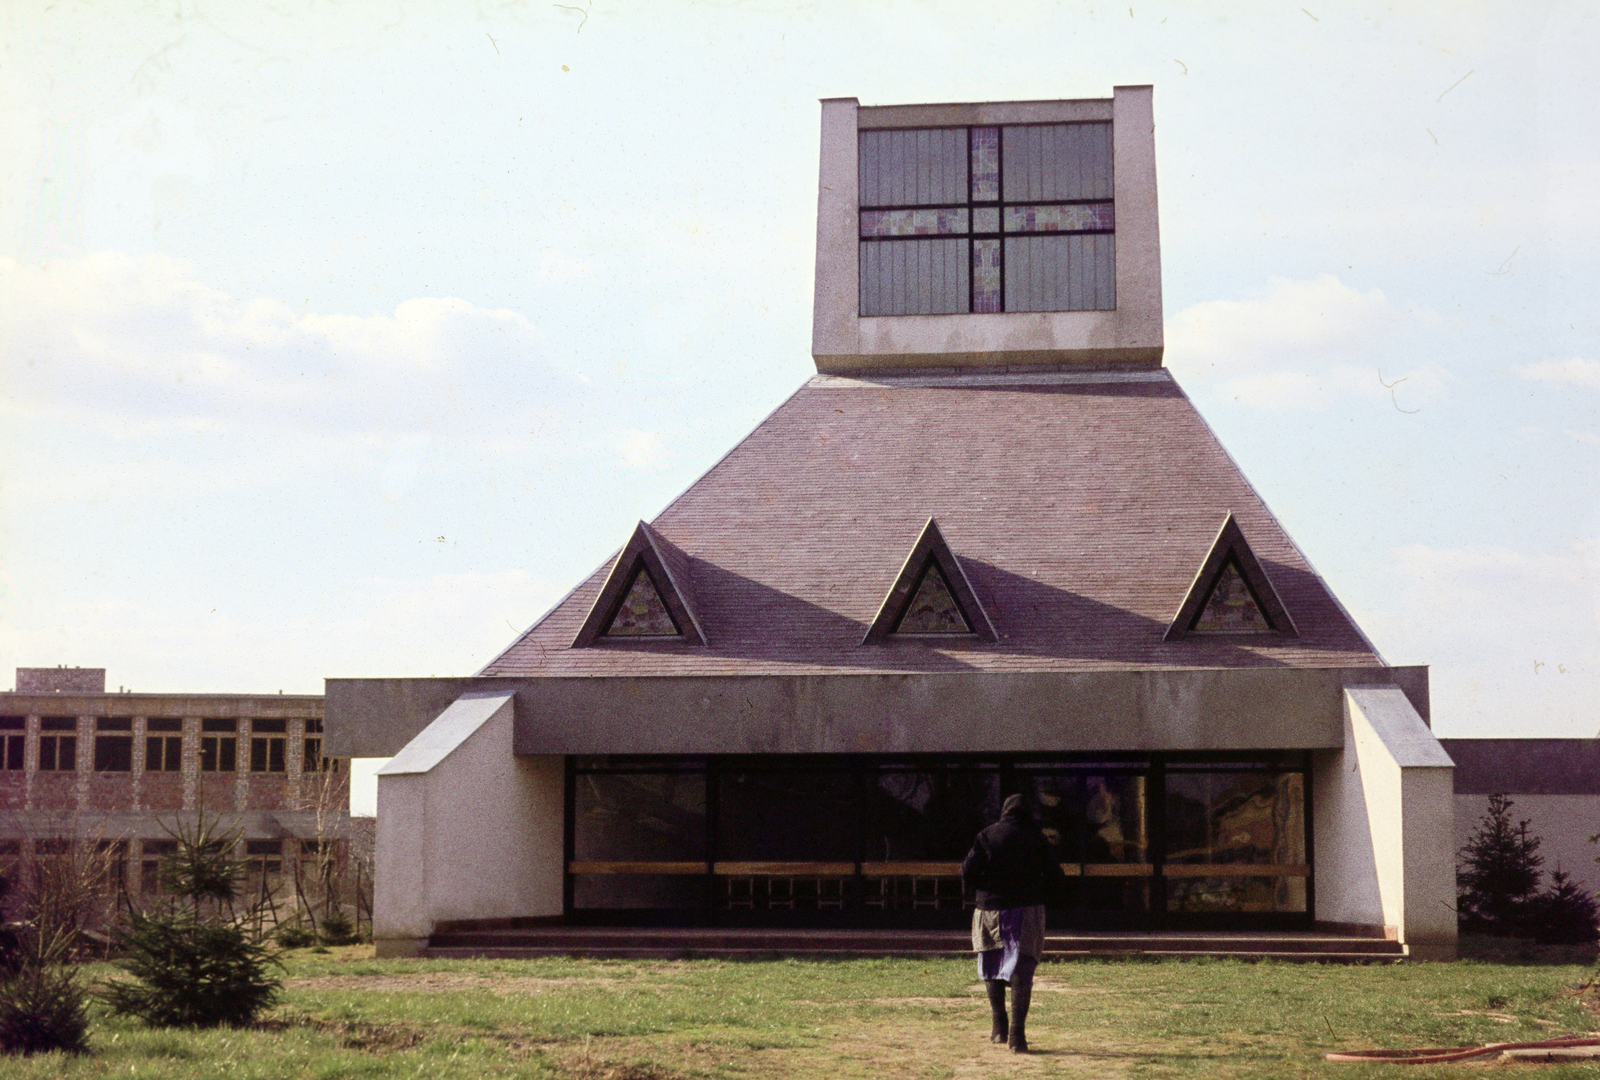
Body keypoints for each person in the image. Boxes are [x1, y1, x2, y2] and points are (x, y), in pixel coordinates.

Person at [961, 793, 1067, 1053]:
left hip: (989, 909)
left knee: (991, 963)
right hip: (1026, 909)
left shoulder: (987, 835)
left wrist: (979, 892)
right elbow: (1056, 875)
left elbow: (967, 871)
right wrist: (1043, 893)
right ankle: (1017, 1037)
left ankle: (999, 1027)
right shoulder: (1036, 838)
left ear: (1004, 811)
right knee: (1023, 967)